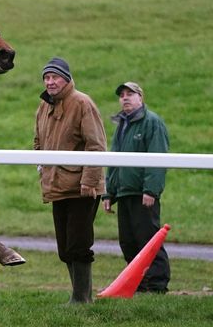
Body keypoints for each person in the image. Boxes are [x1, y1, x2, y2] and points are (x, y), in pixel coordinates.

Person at [34, 57, 106, 304]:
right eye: (47, 77)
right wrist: (41, 168)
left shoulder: (83, 103)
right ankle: (81, 297)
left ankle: (81, 299)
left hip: (82, 188)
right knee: (65, 248)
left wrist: (90, 181)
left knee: (79, 244)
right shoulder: (44, 105)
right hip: (57, 185)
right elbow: (38, 142)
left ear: (66, 79)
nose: (50, 82)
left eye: (55, 77)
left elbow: (96, 146)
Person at [103, 81, 170, 293]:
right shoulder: (122, 125)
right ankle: (138, 284)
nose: (125, 98)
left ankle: (157, 285)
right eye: (122, 94)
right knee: (128, 242)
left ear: (141, 97)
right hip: (124, 193)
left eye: (130, 94)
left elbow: (158, 157)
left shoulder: (152, 122)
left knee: (148, 241)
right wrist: (109, 193)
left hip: (143, 195)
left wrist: (150, 190)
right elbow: (115, 161)